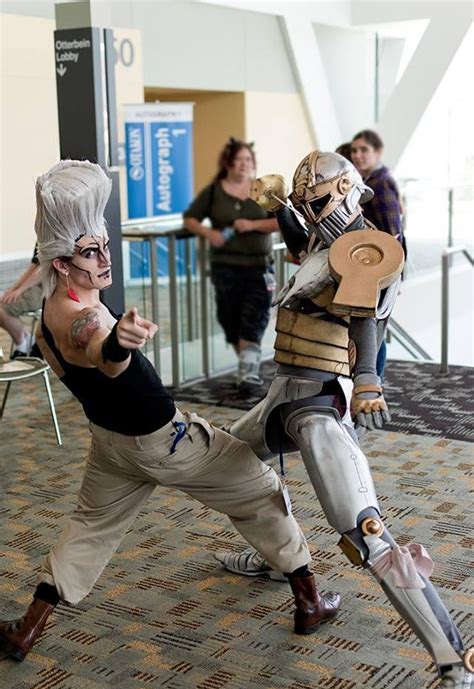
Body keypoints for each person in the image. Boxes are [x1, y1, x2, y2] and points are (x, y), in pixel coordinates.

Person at [0, 159, 341, 663]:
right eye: (88, 252)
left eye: (104, 245)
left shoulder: (52, 305)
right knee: (261, 490)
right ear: (61, 264)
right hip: (168, 443)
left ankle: (25, 631)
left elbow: (70, 315)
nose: (103, 258)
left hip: (111, 446)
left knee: (89, 529)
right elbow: (101, 354)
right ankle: (310, 603)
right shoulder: (85, 318)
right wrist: (119, 341)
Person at [214, 150, 473, 689]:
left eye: (317, 202)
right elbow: (303, 250)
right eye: (306, 206)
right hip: (283, 392)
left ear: (348, 191)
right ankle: (277, 553)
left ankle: (456, 669)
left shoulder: (366, 248)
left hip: (317, 405)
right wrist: (281, 205)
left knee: (366, 534)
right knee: (225, 460)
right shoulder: (325, 238)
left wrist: (369, 381)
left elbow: (363, 318)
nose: (311, 215)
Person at [183, 138, 278, 387]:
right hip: (225, 266)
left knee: (254, 316)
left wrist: (253, 225)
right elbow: (191, 219)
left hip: (259, 266)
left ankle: (248, 371)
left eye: (248, 160)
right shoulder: (214, 191)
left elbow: (281, 221)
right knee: (230, 318)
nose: (243, 165)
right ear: (228, 163)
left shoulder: (264, 189)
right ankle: (247, 364)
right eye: (238, 160)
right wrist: (209, 234)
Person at [351, 129, 406, 380]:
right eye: (354, 151)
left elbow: (393, 234)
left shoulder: (381, 183)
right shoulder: (366, 181)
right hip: (371, 269)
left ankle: (375, 384)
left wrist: (387, 275)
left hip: (380, 271)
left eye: (364, 150)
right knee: (371, 331)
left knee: (373, 333)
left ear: (378, 152)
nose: (358, 155)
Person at [0, 243, 42, 357]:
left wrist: (20, 290)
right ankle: (27, 342)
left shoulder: (53, 231)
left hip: (50, 286)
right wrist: (14, 288)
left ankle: (23, 345)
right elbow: (33, 267)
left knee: (4, 307)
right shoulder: (41, 235)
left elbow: (43, 270)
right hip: (35, 284)